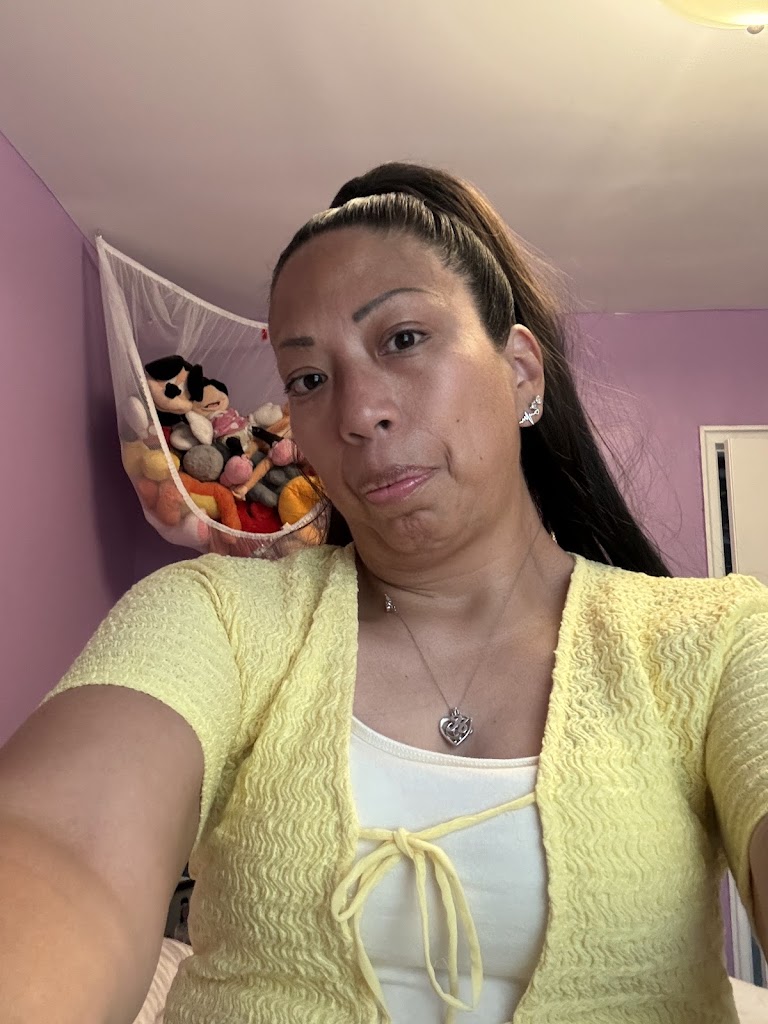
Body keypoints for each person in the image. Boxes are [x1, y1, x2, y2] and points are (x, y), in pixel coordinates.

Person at [0, 162, 766, 1024]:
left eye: (403, 339)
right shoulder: (216, 616)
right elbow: (60, 849)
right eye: (308, 379)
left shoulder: (717, 641)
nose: (358, 413)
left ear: (521, 371)